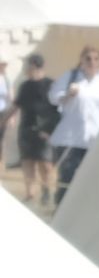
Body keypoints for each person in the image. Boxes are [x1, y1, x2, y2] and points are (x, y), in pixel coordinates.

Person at [48, 46, 99, 195]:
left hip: (94, 138)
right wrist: (68, 94)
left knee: (92, 179)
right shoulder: (71, 76)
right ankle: (60, 211)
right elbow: (53, 98)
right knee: (67, 180)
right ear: (81, 60)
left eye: (96, 59)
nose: (92, 62)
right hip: (71, 138)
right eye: (88, 58)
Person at [10, 53, 55, 207]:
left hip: (44, 131)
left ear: (34, 65)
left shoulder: (50, 84)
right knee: (27, 161)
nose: (24, 68)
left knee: (45, 164)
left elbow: (57, 109)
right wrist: (3, 121)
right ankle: (29, 193)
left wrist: (50, 128)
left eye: (26, 64)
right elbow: (16, 105)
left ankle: (46, 191)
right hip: (26, 129)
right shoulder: (24, 86)